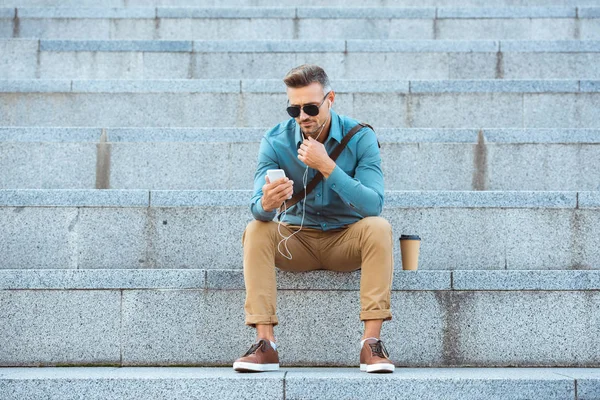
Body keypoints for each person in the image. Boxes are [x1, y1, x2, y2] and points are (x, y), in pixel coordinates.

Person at [233, 64, 395, 374]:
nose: (303, 116)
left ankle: (371, 344)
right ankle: (265, 344)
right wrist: (267, 203)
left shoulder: (360, 137)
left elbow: (374, 205)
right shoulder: (276, 140)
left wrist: (328, 168)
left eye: (310, 107)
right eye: (294, 109)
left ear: (330, 99)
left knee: (379, 228)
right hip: (297, 241)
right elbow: (257, 207)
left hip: (346, 240)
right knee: (256, 230)